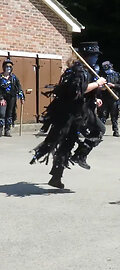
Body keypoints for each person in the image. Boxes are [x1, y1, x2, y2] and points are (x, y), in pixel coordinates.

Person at [30, 41, 108, 188]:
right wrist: (97, 84)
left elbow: (85, 92)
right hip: (72, 113)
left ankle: (59, 175)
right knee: (95, 131)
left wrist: (96, 96)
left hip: (79, 111)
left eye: (97, 56)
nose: (96, 58)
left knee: (69, 142)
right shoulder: (79, 70)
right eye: (94, 55)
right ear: (86, 55)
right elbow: (78, 91)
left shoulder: (86, 70)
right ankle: (79, 156)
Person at [98, 61, 120, 137]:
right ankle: (100, 131)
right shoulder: (102, 76)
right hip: (104, 98)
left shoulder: (117, 75)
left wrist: (113, 85)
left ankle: (115, 130)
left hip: (114, 98)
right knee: (102, 115)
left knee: (114, 116)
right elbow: (98, 86)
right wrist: (102, 88)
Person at [0, 59, 25, 137]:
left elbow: (19, 87)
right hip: (2, 97)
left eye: (10, 67)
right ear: (4, 67)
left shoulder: (14, 77)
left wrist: (22, 97)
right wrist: (1, 98)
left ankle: (7, 130)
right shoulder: (0, 77)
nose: (8, 68)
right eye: (7, 66)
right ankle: (0, 129)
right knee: (2, 113)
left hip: (12, 97)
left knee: (9, 113)